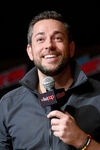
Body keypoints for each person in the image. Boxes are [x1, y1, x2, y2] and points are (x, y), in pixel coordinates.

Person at [0, 10, 100, 150]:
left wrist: (82, 141)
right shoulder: (8, 104)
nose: (49, 46)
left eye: (58, 38)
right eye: (40, 39)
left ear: (71, 48)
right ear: (30, 52)